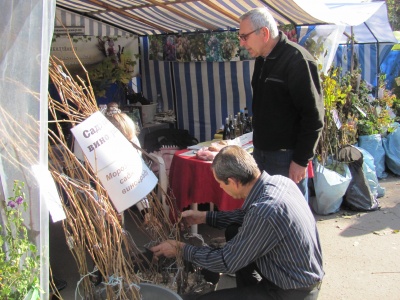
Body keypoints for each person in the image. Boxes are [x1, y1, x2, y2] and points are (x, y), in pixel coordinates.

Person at [151, 145, 324, 300]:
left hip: (291, 292)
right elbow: (246, 216)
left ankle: (256, 292)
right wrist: (205, 216)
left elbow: (226, 262)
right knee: (234, 231)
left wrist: (181, 249)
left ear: (233, 182)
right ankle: (249, 289)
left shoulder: (265, 211)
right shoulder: (280, 182)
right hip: (299, 274)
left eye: (220, 183)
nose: (220, 188)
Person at [239, 8, 324, 200]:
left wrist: (301, 160)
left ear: (264, 33)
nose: (241, 43)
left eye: (244, 37)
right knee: (267, 213)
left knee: (291, 215)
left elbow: (313, 116)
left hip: (286, 157)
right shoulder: (262, 60)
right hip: (262, 153)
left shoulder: (297, 60)